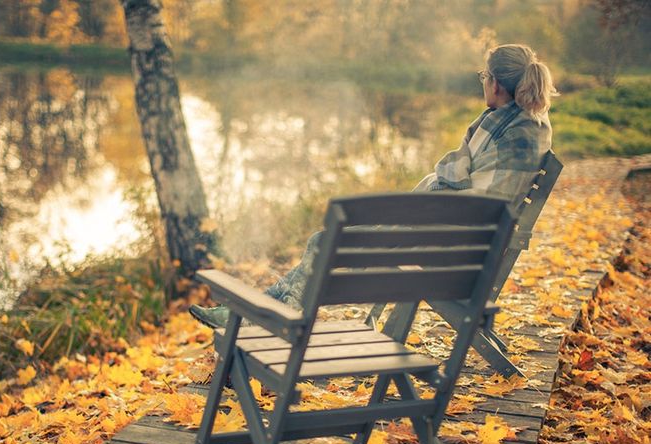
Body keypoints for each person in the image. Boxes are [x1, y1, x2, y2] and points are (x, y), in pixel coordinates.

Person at [190, 43, 556, 329]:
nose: (482, 83)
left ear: (496, 83)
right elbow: (471, 184)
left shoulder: (508, 132)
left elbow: (471, 193)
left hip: (447, 246)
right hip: (460, 245)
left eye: (483, 76)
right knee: (326, 240)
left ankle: (253, 317)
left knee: (324, 242)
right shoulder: (525, 127)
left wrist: (423, 202)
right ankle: (253, 314)